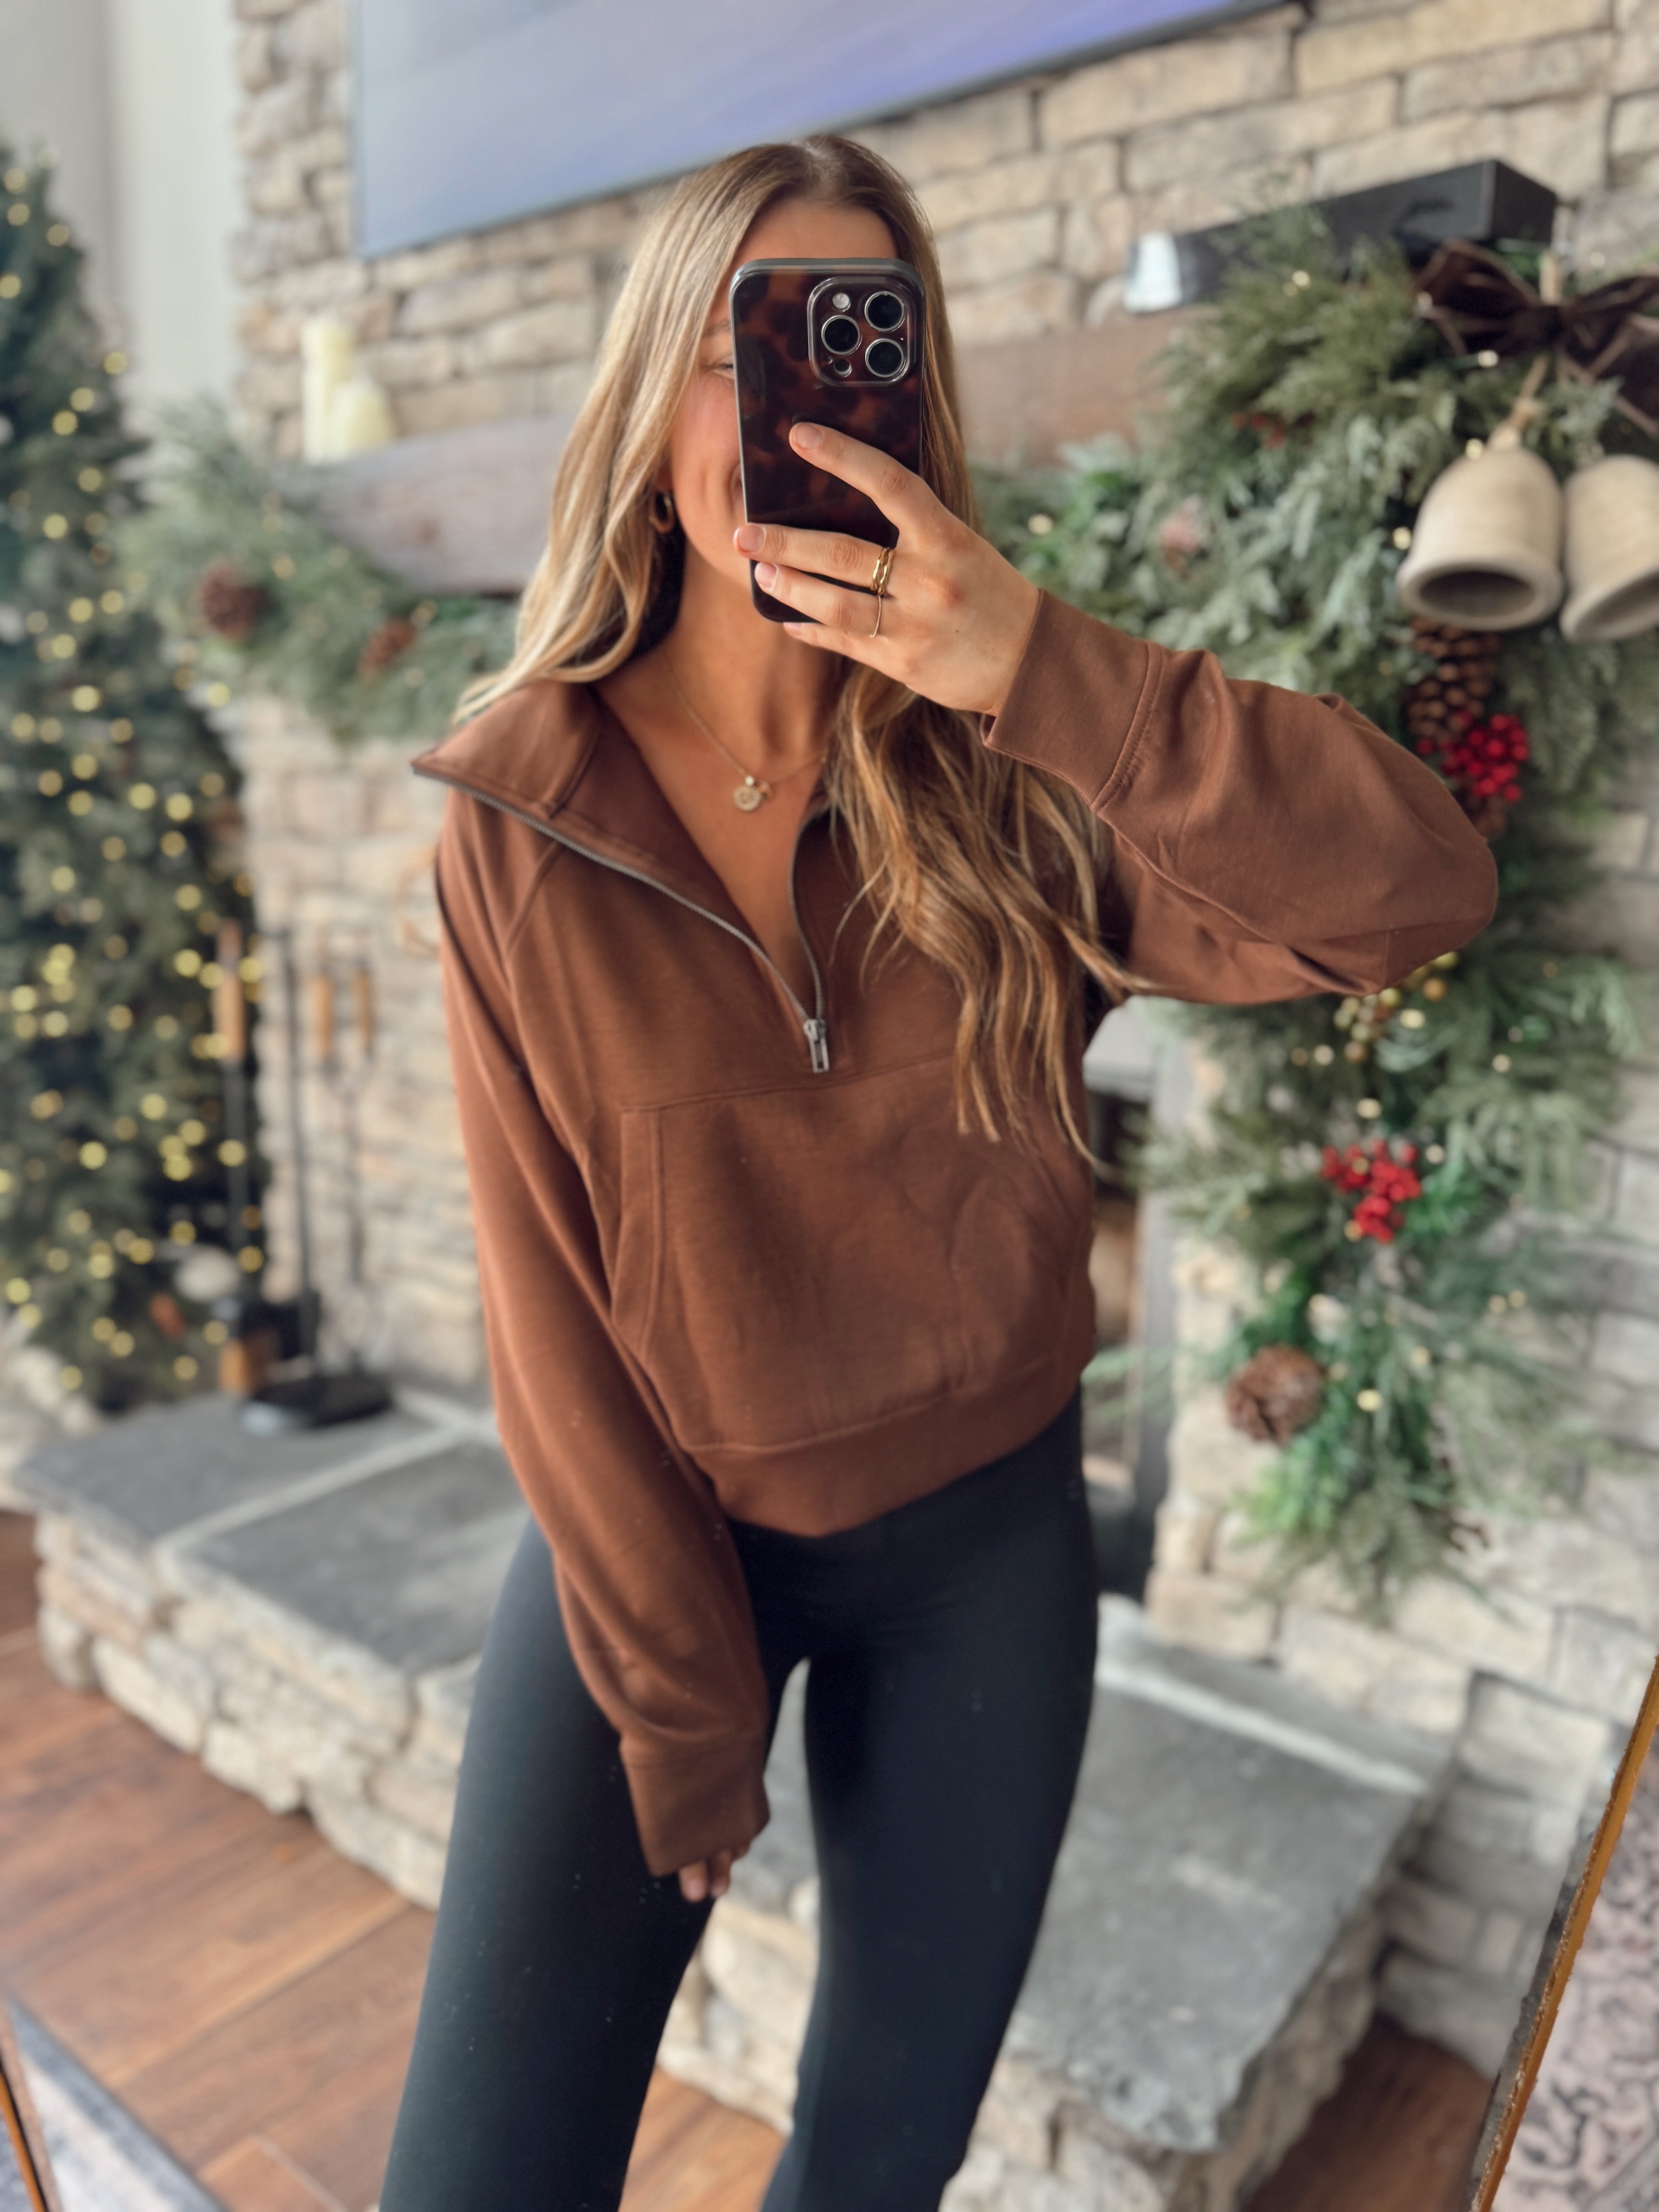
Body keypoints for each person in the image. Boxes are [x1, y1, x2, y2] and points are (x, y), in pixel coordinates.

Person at [379, 136, 1497, 2212]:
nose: (795, 406)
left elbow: (1416, 890)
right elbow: (547, 1317)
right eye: (745, 349)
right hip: (661, 1562)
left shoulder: (1014, 767)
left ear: (915, 397)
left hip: (990, 1558)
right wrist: (681, 1709)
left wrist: (1036, 668)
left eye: (852, 345)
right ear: (649, 408)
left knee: (877, 2172)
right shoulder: (522, 812)